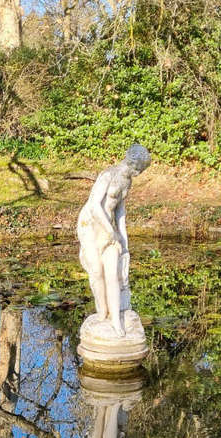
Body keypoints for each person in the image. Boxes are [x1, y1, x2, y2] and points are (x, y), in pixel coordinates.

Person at [77, 144, 152, 338]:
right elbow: (94, 206)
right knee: (97, 272)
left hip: (108, 227)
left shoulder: (127, 182)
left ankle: (116, 320)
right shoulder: (107, 176)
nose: (139, 173)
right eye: (140, 169)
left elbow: (120, 213)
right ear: (134, 164)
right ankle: (103, 311)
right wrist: (111, 232)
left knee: (113, 273)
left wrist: (123, 242)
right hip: (90, 226)